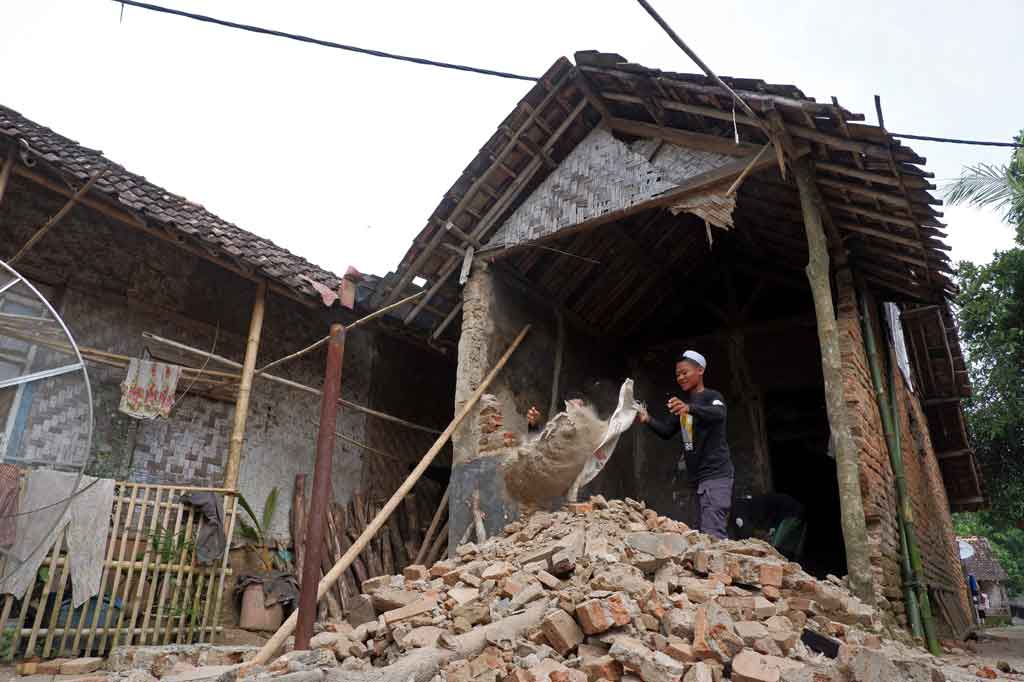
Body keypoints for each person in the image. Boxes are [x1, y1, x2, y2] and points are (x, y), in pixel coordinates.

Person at [636, 350, 734, 539]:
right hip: (696, 480)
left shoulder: (712, 397)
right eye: (678, 374)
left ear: (700, 370)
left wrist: (689, 408)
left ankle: (718, 569)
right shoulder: (684, 405)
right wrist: (647, 419)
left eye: (685, 372)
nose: (680, 377)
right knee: (700, 533)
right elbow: (666, 431)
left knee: (712, 534)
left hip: (716, 476)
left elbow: (719, 413)